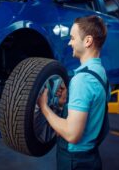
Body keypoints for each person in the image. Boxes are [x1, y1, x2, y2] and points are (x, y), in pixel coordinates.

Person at [38, 15, 110, 170]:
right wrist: (67, 101)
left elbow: (72, 134)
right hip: (91, 158)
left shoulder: (82, 80)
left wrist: (44, 107)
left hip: (75, 162)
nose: (69, 42)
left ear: (88, 41)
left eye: (72, 38)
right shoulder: (100, 73)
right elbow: (92, 110)